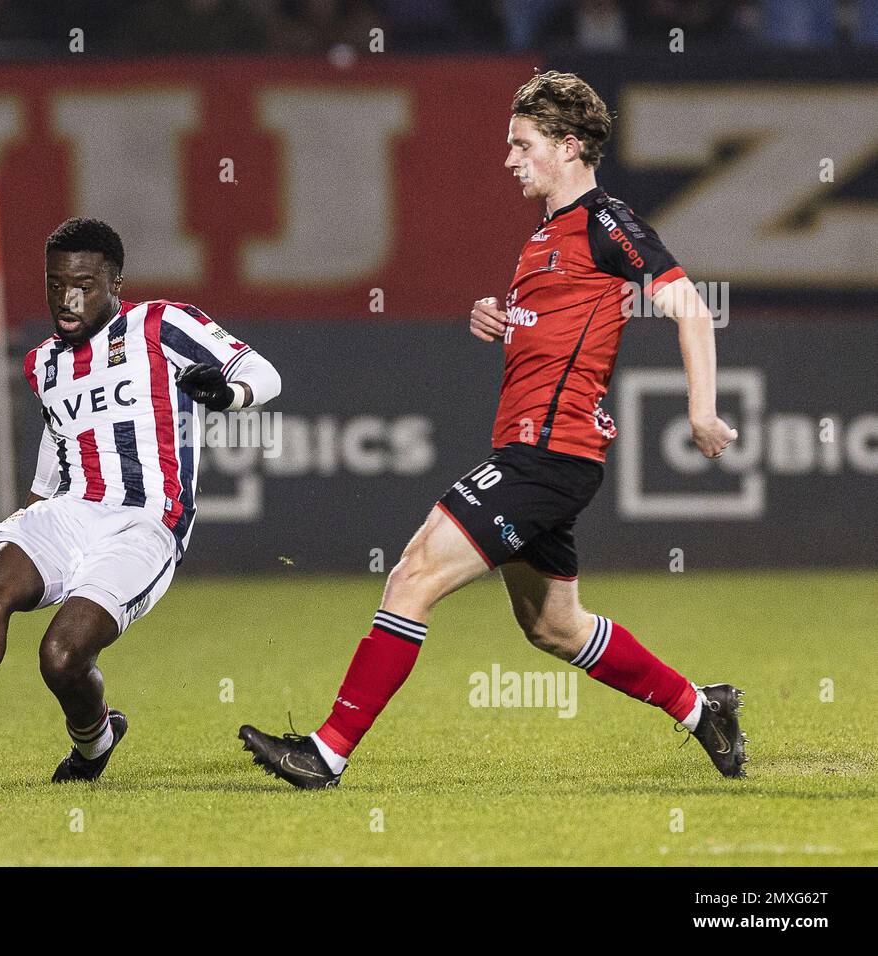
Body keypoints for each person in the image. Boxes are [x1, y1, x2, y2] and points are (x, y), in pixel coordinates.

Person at [239, 71, 747, 788]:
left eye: (523, 144)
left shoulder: (608, 223)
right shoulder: (544, 234)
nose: (510, 159)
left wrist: (700, 410)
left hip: (549, 454)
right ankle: (703, 710)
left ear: (570, 147)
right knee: (554, 628)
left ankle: (324, 754)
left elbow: (690, 307)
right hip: (538, 451)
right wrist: (505, 321)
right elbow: (561, 327)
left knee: (412, 573)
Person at [0, 217, 282, 782]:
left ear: (115, 281)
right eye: (56, 283)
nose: (68, 297)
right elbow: (55, 446)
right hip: (72, 511)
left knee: (62, 656)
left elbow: (264, 371)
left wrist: (230, 393)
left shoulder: (160, 324)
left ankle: (95, 744)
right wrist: (24, 520)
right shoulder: (43, 363)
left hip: (146, 523)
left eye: (84, 283)